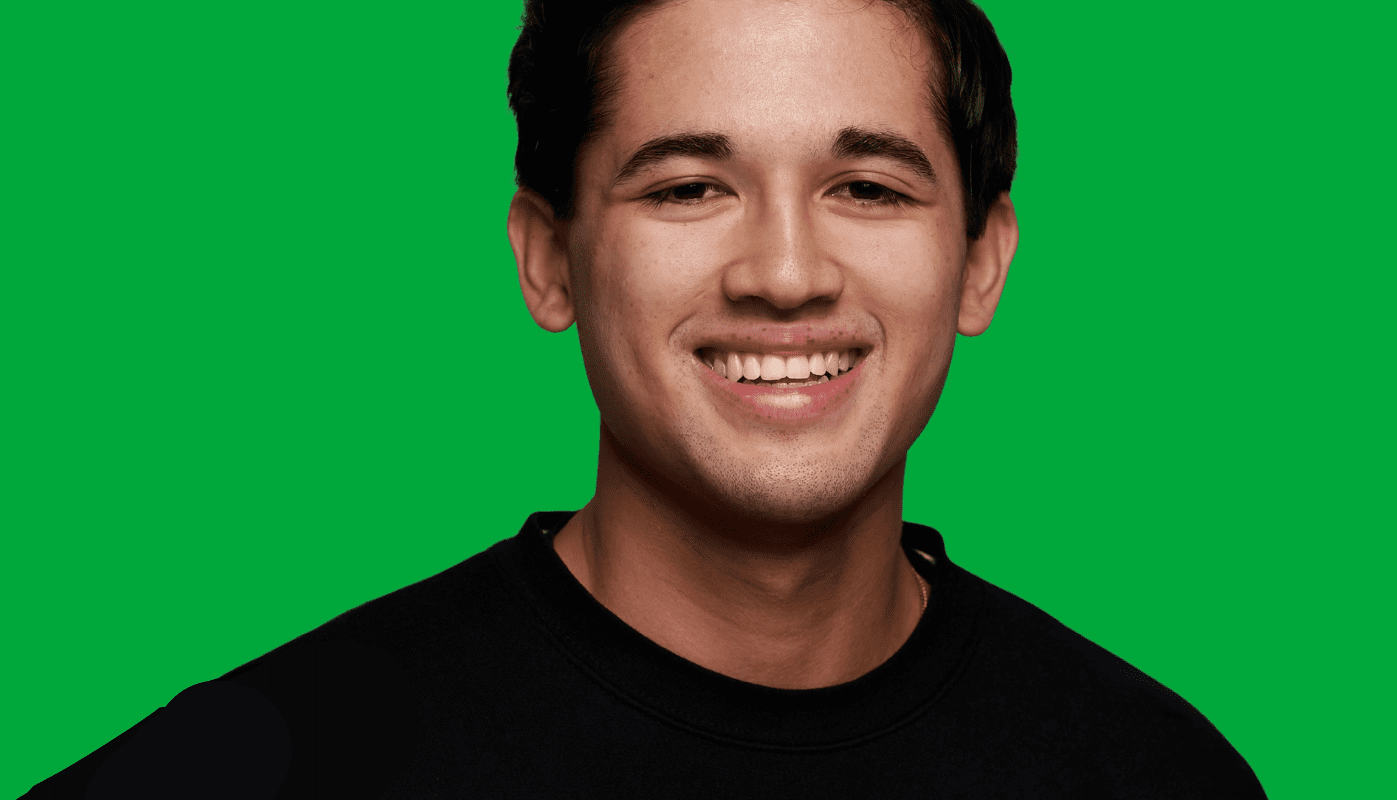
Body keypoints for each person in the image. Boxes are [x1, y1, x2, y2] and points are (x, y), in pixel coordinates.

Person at [27, 0, 1265, 797]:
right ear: (550, 259)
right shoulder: (282, 760)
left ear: (982, 261)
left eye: (869, 189)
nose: (785, 272)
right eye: (687, 188)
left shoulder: (1158, 772)